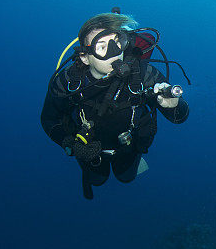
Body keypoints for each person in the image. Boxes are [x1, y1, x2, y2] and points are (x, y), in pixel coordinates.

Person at [41, 11, 189, 199]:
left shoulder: (143, 74)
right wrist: (69, 143)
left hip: (128, 145)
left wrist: (173, 106)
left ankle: (129, 166)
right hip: (89, 149)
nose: (115, 52)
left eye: (117, 42)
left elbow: (180, 117)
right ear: (85, 57)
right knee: (97, 179)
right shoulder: (69, 81)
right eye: (102, 47)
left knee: (126, 177)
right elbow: (48, 118)